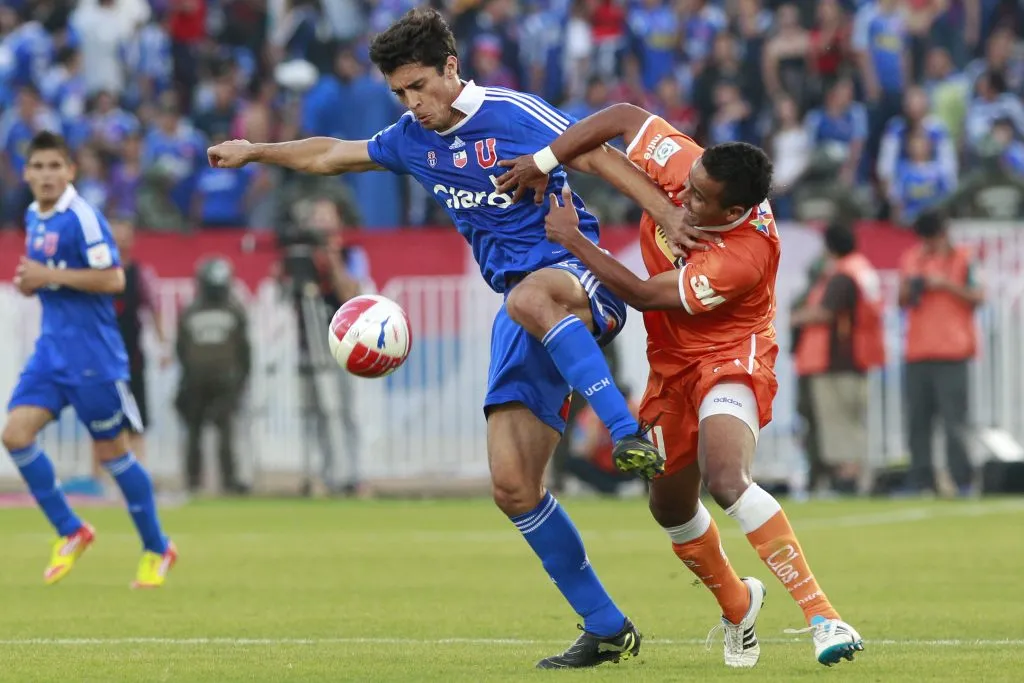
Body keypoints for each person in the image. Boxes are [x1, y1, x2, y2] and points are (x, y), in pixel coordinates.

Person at [207, 9, 709, 669]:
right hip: (520, 311)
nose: (412, 104)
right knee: (512, 486)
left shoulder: (512, 111)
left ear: (451, 68)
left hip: (578, 276)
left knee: (531, 293)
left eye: (419, 86)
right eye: (399, 93)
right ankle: (607, 624)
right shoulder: (412, 138)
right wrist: (257, 152)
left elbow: (598, 156)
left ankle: (624, 430)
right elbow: (332, 153)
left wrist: (668, 212)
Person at [497, 103, 865, 668]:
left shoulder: (742, 256)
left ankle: (823, 617)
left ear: (735, 210)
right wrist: (544, 159)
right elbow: (621, 116)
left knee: (726, 478)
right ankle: (738, 605)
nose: (681, 199)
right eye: (688, 187)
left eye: (696, 199)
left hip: (730, 355)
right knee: (669, 507)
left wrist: (573, 239)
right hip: (671, 365)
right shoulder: (696, 169)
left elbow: (644, 295)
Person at [1, 131, 176, 588]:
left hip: (94, 358)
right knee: (15, 434)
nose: (46, 175)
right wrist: (32, 282)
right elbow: (47, 277)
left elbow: (114, 279)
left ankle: (158, 546)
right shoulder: (34, 217)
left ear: (70, 171)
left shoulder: (83, 218)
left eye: (54, 166)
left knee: (112, 454)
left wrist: (47, 274)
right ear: (26, 173)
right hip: (51, 352)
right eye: (37, 167)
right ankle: (71, 530)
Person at [792, 223, 886, 496]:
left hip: (837, 359)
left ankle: (848, 481)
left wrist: (797, 317)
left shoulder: (843, 274)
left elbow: (826, 312)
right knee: (851, 422)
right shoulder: (862, 269)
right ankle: (856, 478)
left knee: (838, 424)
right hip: (857, 357)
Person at [898, 211, 984, 496]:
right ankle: (921, 481)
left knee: (954, 421)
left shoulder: (964, 258)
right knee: (917, 422)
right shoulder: (912, 258)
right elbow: (901, 300)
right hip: (918, 351)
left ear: (944, 233)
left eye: (933, 237)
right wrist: (914, 287)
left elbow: (978, 296)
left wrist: (944, 284)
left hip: (952, 351)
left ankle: (963, 480)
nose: (929, 244)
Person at [175, 257, 252, 494]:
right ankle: (193, 481)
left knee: (226, 433)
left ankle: (228, 480)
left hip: (226, 383)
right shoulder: (190, 312)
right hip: (196, 383)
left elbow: (245, 350)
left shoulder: (234, 311)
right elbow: (181, 348)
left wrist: (240, 381)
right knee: (195, 433)